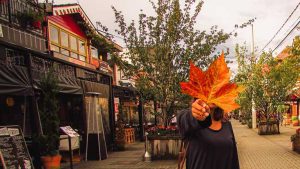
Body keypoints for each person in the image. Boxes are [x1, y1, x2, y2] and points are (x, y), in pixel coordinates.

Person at [177, 99, 240, 169]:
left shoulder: (227, 124)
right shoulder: (189, 119)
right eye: (208, 89)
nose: (212, 95)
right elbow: (184, 120)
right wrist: (197, 115)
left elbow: (234, 159)